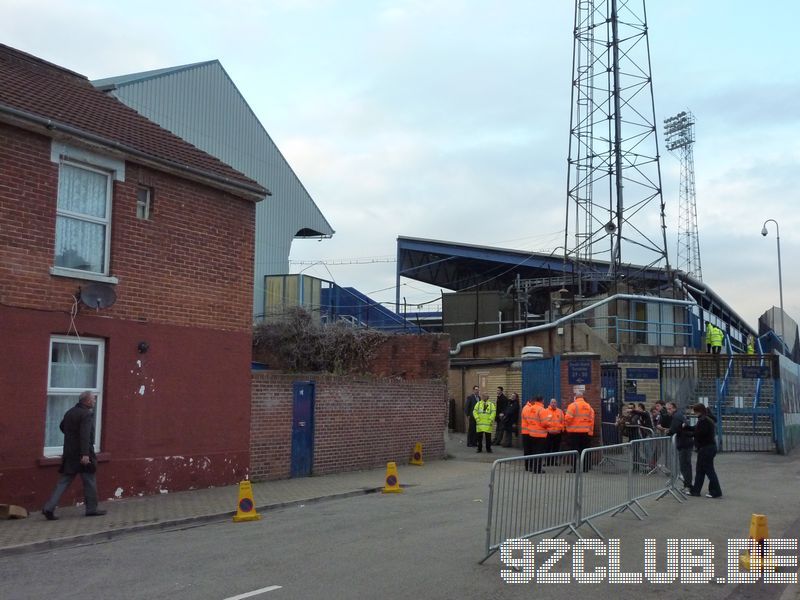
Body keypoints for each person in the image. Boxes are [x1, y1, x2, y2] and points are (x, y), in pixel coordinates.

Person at [42, 391, 106, 520]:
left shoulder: (70, 412)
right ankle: (92, 508)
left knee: (64, 481)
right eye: (93, 399)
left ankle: (49, 507)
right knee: (89, 481)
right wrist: (85, 454)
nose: (94, 401)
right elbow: (85, 435)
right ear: (87, 401)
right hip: (83, 454)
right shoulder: (86, 415)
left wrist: (71, 437)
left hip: (69, 453)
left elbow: (62, 426)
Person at [689, 403, 722, 498]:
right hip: (706, 448)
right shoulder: (705, 419)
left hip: (706, 448)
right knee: (700, 470)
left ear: (699, 411)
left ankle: (716, 491)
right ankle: (696, 490)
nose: (694, 413)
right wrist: (685, 428)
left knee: (709, 470)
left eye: (695, 411)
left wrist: (689, 433)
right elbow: (696, 430)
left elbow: (700, 433)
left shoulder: (704, 420)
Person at [666, 401, 694, 493]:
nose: (668, 411)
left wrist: (668, 432)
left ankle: (688, 485)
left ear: (674, 408)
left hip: (684, 443)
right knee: (685, 465)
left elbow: (673, 429)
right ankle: (687, 484)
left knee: (685, 465)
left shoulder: (677, 416)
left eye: (670, 409)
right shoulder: (678, 415)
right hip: (685, 442)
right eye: (667, 409)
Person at [564, 394, 595, 471]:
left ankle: (575, 468)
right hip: (586, 433)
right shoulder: (589, 407)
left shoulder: (572, 406)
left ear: (576, 398)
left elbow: (568, 418)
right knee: (585, 451)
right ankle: (586, 468)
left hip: (574, 433)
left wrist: (568, 427)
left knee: (575, 451)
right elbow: (591, 420)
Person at [542, 399, 565, 463]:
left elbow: (563, 422)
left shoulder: (560, 411)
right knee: (548, 448)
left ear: (556, 404)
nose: (553, 404)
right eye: (552, 402)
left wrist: (561, 430)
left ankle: (554, 462)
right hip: (549, 433)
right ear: (549, 403)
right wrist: (546, 430)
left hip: (558, 433)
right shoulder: (545, 411)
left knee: (556, 448)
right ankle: (548, 462)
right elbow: (543, 422)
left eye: (555, 402)